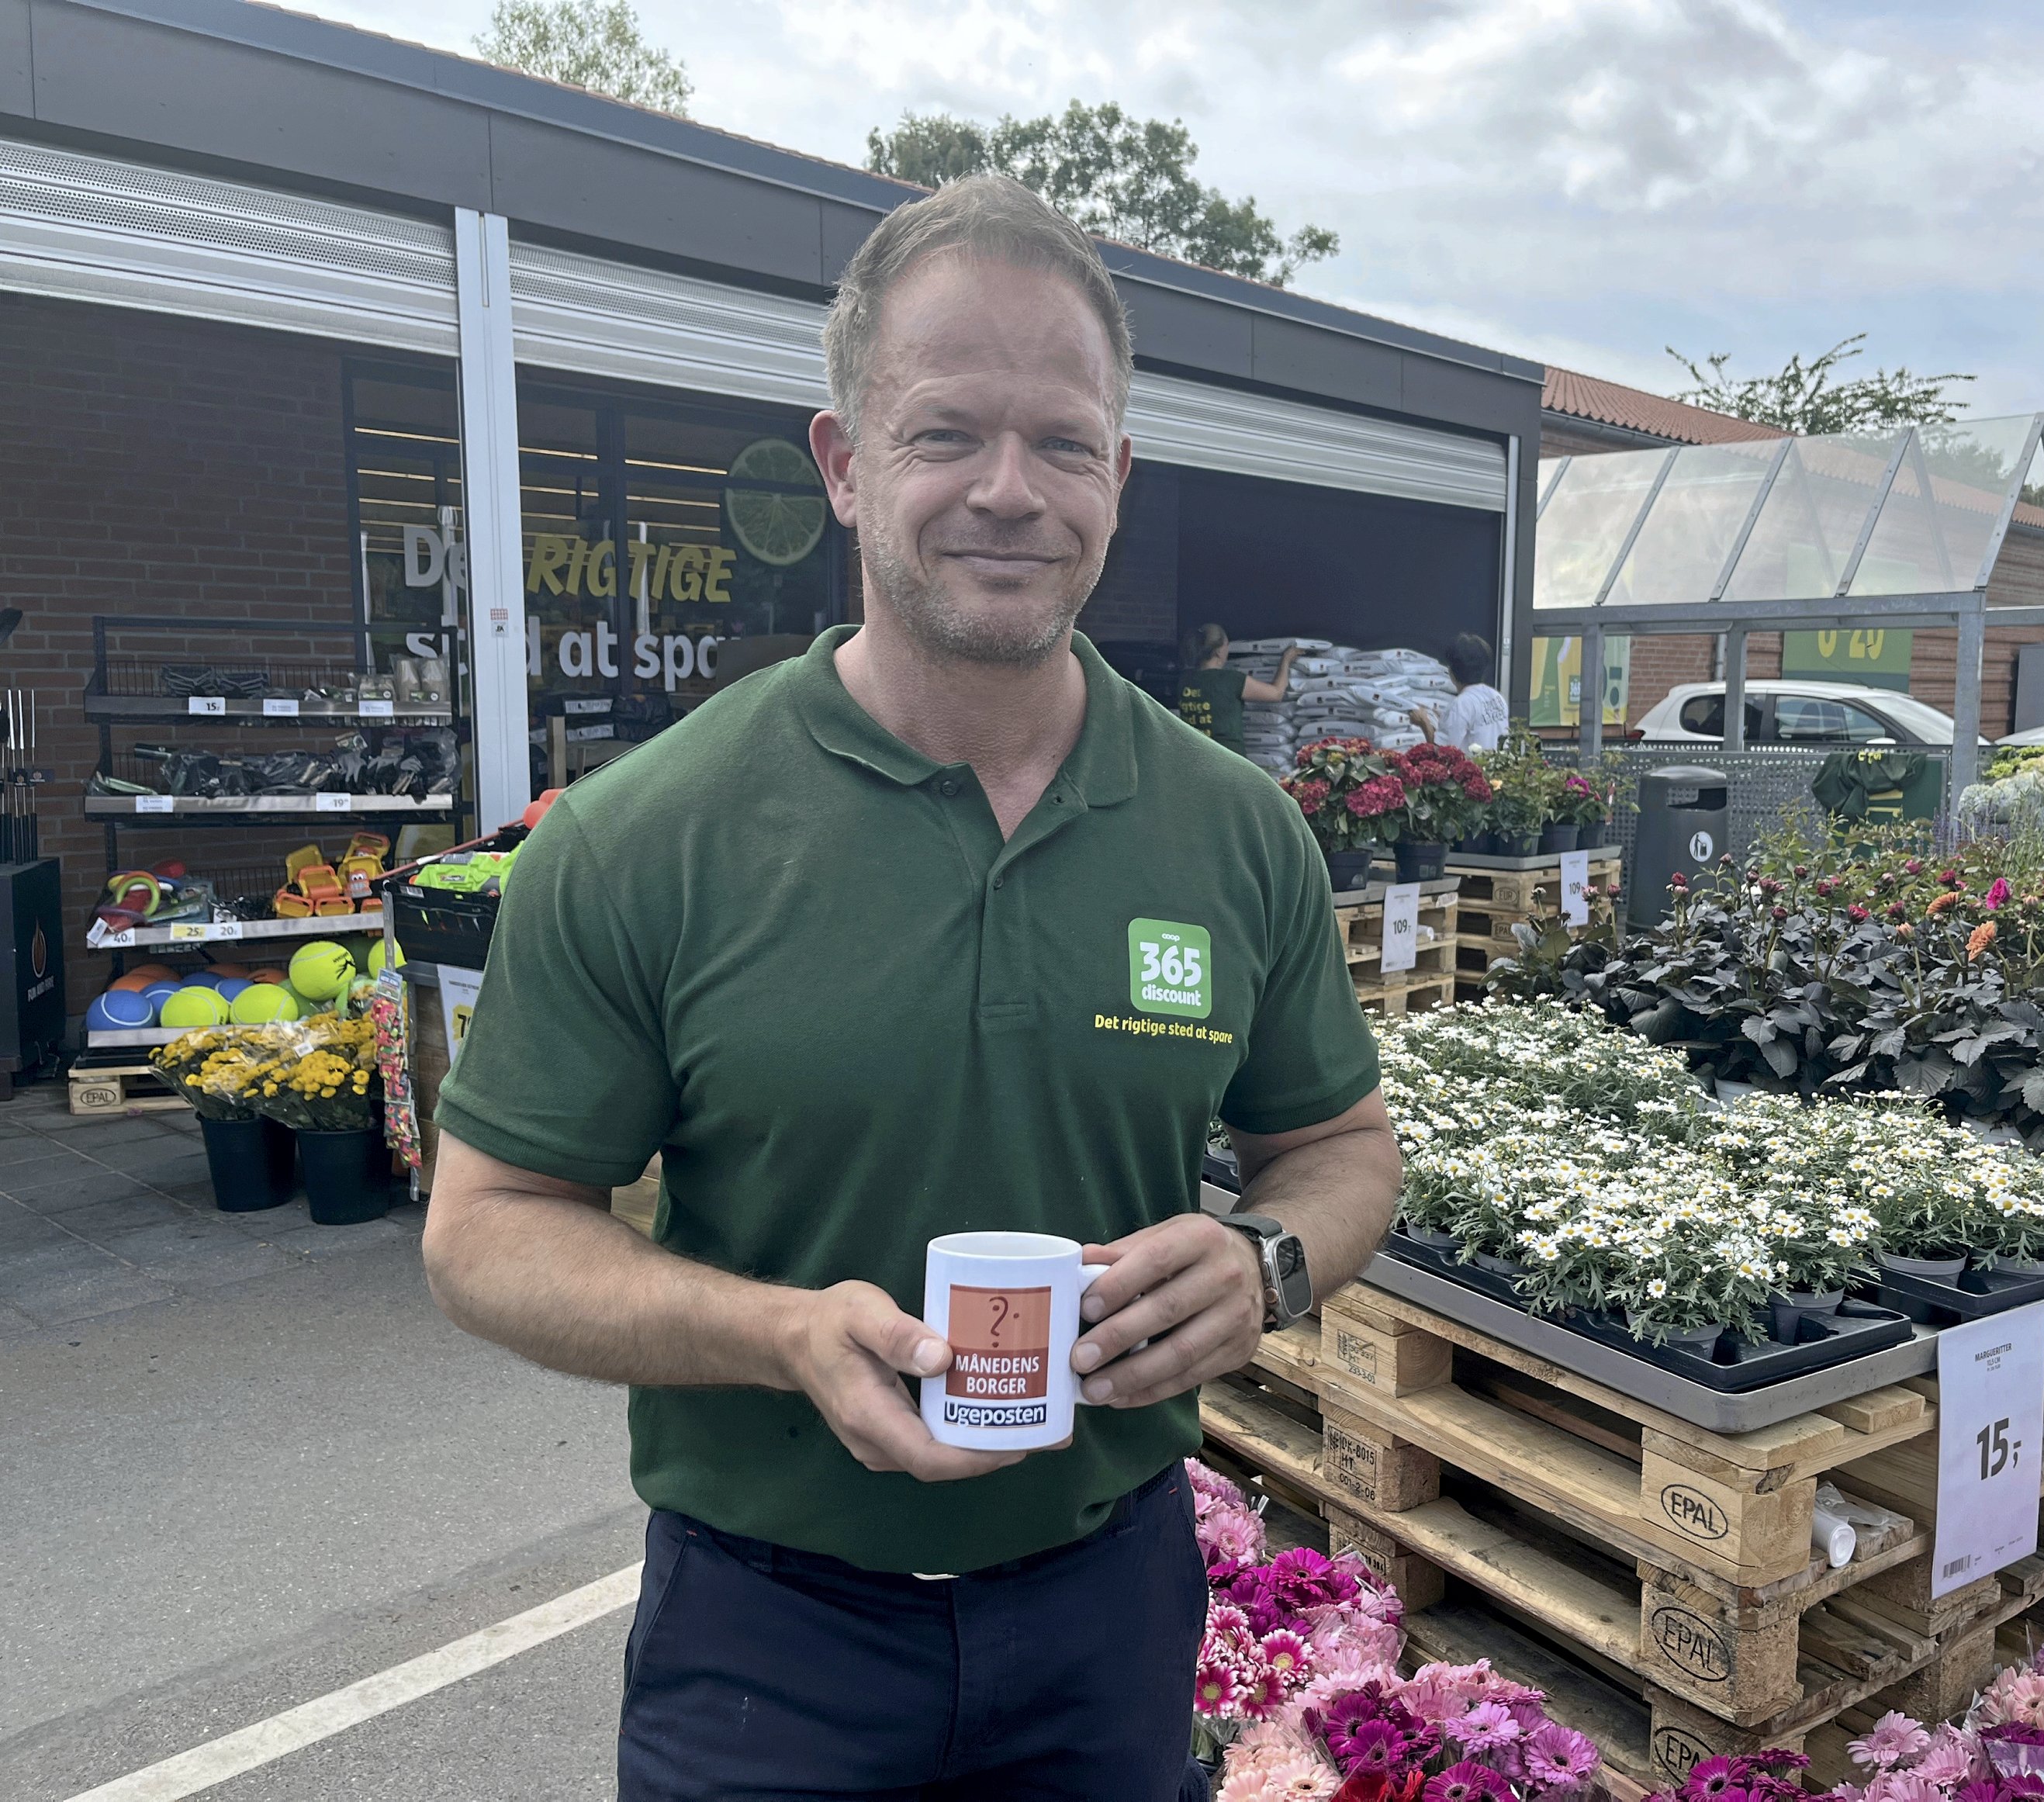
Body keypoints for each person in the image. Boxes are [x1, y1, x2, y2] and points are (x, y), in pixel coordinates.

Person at [420, 173, 1402, 1802]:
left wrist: (1271, 1259)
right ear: (844, 464)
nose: (1009, 492)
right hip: (768, 1641)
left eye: (1064, 442)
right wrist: (781, 1334)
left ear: (1120, 478)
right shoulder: (643, 837)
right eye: (946, 433)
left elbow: (1344, 1144)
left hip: (1112, 1615)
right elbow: (485, 1227)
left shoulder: (1234, 832)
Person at [1174, 623, 1299, 754]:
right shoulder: (1231, 680)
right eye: (1227, 645)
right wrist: (1286, 660)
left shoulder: (1185, 681)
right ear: (1219, 651)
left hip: (1195, 757)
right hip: (1228, 760)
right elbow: (1276, 694)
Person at [1410, 631, 1510, 752]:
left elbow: (1443, 754)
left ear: (1451, 673)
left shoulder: (1461, 704)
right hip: (1497, 768)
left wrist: (1424, 722)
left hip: (1474, 769)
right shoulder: (1496, 696)